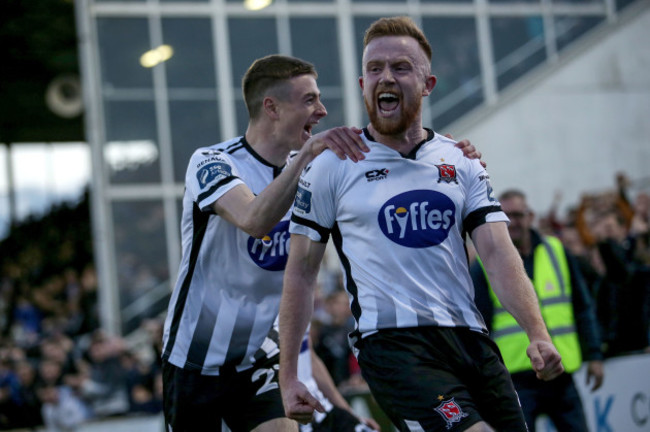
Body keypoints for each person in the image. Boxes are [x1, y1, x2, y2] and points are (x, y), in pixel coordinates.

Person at [161, 53, 481, 432]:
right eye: (310, 100)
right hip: (194, 358)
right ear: (272, 108)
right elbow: (254, 220)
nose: (322, 110)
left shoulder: (315, 167)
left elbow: (386, 187)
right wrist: (308, 157)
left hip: (260, 356)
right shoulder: (212, 162)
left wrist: (450, 162)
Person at [278, 16, 564, 432]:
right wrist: (289, 376)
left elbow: (499, 253)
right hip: (394, 347)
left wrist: (538, 332)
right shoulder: (332, 165)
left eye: (400, 67)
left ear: (428, 84)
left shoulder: (460, 160)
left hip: (470, 341)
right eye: (375, 69)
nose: (385, 77)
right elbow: (301, 273)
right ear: (363, 85)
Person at [470, 189, 604, 432]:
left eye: (518, 215)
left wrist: (594, 354)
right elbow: (480, 326)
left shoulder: (557, 251)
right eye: (506, 216)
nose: (513, 222)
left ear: (530, 216)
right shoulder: (483, 265)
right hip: (516, 379)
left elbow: (582, 307)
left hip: (560, 372)